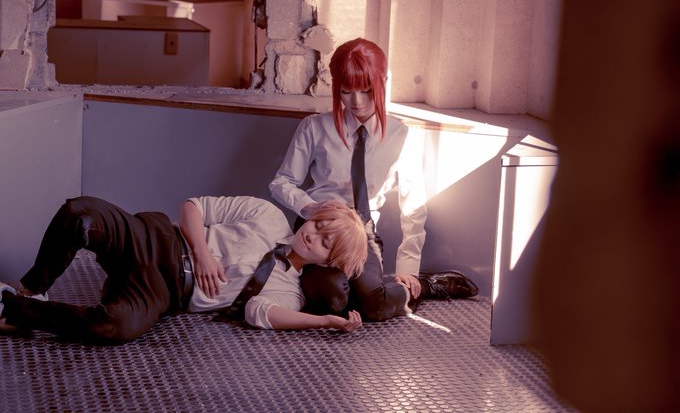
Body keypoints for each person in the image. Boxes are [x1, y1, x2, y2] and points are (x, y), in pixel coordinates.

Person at [269, 38, 478, 321]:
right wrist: (312, 209)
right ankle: (366, 289)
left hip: (362, 231)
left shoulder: (400, 135)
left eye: (366, 91)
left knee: (374, 306)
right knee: (332, 298)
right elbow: (281, 182)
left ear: (383, 81)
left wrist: (408, 268)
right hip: (318, 228)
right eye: (346, 92)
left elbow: (413, 205)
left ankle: (427, 286)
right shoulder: (314, 127)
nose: (356, 102)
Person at [0, 195, 367, 343]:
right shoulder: (268, 214)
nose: (312, 235)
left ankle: (13, 309)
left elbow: (258, 314)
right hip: (158, 240)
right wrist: (202, 253)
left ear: (328, 262)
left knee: (114, 327)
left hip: (166, 291)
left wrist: (325, 321)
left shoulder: (290, 293)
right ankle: (32, 289)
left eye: (324, 242)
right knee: (80, 214)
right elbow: (194, 207)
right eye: (318, 224)